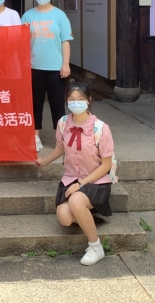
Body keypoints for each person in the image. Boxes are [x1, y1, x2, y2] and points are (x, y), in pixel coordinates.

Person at [35, 81, 116, 266]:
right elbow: (60, 148)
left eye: (80, 99)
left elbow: (106, 165)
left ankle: (96, 247)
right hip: (71, 179)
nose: (75, 102)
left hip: (96, 181)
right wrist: (43, 161)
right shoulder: (63, 123)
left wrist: (81, 183)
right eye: (71, 99)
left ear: (89, 101)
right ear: (66, 101)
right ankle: (85, 213)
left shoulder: (100, 128)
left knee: (75, 200)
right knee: (64, 218)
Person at [21, 0, 73, 152]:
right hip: (33, 66)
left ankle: (61, 138)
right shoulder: (27, 16)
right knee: (35, 104)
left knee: (57, 104)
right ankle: (34, 137)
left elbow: (65, 41)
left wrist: (65, 64)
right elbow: (20, 42)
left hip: (55, 68)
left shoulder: (60, 15)